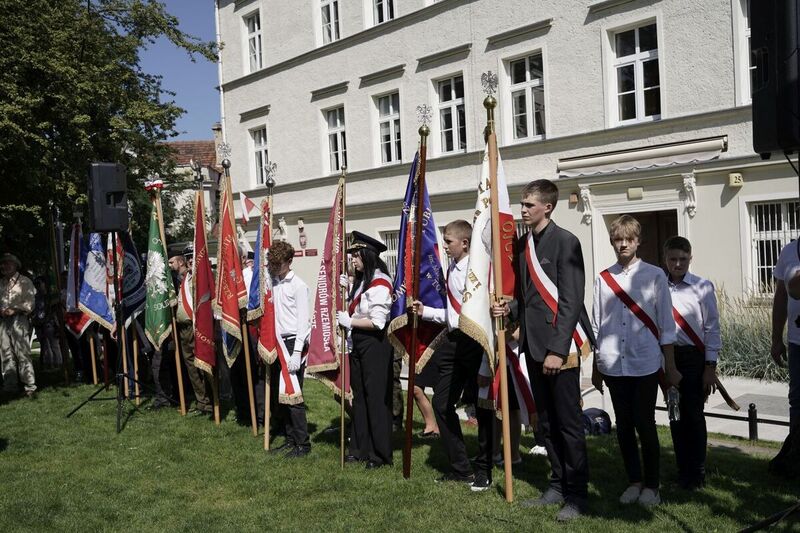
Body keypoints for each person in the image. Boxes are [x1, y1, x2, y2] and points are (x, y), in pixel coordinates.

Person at [493, 179, 593, 520]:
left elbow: (571, 300)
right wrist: (508, 309)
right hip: (533, 347)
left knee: (569, 424)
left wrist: (557, 349)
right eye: (522, 204)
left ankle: (577, 494)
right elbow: (526, 298)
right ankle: (557, 483)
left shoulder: (567, 242)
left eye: (529, 205)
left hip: (558, 348)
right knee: (546, 422)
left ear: (547, 207)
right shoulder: (523, 245)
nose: (523, 210)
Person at [592, 214, 680, 507]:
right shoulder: (603, 278)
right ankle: (634, 481)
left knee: (645, 423)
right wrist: (596, 367)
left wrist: (670, 366)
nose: (623, 244)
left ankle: (652, 486)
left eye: (629, 239)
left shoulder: (655, 275)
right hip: (613, 363)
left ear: (638, 241)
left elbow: (666, 325)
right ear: (612, 242)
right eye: (618, 239)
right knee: (624, 424)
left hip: (644, 361)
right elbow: (597, 325)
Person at [411, 220, 486, 487]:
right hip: (453, 341)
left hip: (473, 342)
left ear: (464, 243)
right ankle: (461, 468)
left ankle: (487, 462)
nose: (444, 246)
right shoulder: (452, 267)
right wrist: (426, 312)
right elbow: (453, 314)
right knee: (442, 404)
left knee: (482, 405)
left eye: (449, 242)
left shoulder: (475, 270)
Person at [663, 235, 721, 490]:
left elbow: (712, 328)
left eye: (683, 259)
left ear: (690, 258)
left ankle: (697, 474)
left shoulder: (702, 287)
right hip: (667, 357)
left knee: (694, 416)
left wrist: (710, 367)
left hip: (693, 358)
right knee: (675, 415)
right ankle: (682, 471)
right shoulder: (657, 286)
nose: (678, 264)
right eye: (673, 259)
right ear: (665, 259)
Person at [337, 231, 394, 469]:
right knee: (359, 398)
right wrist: (349, 287)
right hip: (359, 342)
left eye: (356, 255)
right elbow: (360, 305)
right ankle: (359, 448)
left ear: (368, 256)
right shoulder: (363, 281)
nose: (352, 260)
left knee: (375, 399)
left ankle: (379, 454)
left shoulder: (380, 282)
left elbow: (377, 322)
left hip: (375, 343)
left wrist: (350, 322)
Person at [266, 240, 312, 458]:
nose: (275, 267)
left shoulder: (298, 285)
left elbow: (304, 321)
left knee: (294, 395)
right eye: (273, 264)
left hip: (293, 342)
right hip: (278, 341)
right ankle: (290, 438)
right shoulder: (274, 283)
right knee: (282, 395)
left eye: (279, 263)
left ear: (289, 261)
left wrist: (297, 352)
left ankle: (303, 443)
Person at [171, 246, 213, 415]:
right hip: (184, 329)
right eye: (188, 258)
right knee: (191, 367)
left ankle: (213, 400)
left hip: (198, 327)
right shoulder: (184, 279)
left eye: (192, 258)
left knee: (203, 364)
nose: (190, 261)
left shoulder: (200, 279)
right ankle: (202, 402)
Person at [771, 240, 800, 429]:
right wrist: (776, 339)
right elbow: (783, 296)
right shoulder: (789, 251)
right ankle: (796, 444)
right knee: (797, 400)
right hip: (796, 342)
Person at [0, 253, 37, 397]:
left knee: (22, 353)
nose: (4, 266)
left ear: (15, 265)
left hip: (19, 319)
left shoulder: (24, 281)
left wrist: (15, 309)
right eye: (3, 263)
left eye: (8, 263)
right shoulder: (1, 283)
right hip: (3, 321)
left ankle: (29, 386)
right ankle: (10, 386)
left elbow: (30, 303)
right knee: (5, 353)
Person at [32, 275, 63, 370]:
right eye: (35, 284)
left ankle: (58, 365)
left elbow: (55, 308)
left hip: (50, 324)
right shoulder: (35, 297)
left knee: (54, 345)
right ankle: (49, 365)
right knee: (44, 346)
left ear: (44, 284)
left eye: (39, 283)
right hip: (39, 324)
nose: (37, 285)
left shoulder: (51, 296)